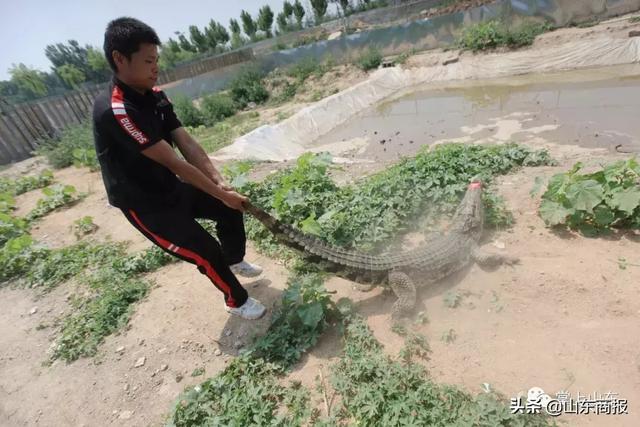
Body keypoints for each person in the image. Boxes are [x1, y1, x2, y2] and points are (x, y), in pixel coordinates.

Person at [92, 17, 266, 320]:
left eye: (156, 60)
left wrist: (219, 183)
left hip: (168, 186)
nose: (155, 67)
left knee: (229, 210)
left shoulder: (155, 96)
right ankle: (236, 301)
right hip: (145, 205)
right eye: (148, 61)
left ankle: (234, 261)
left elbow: (186, 143)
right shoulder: (117, 110)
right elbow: (174, 162)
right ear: (119, 59)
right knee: (205, 251)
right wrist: (220, 193)